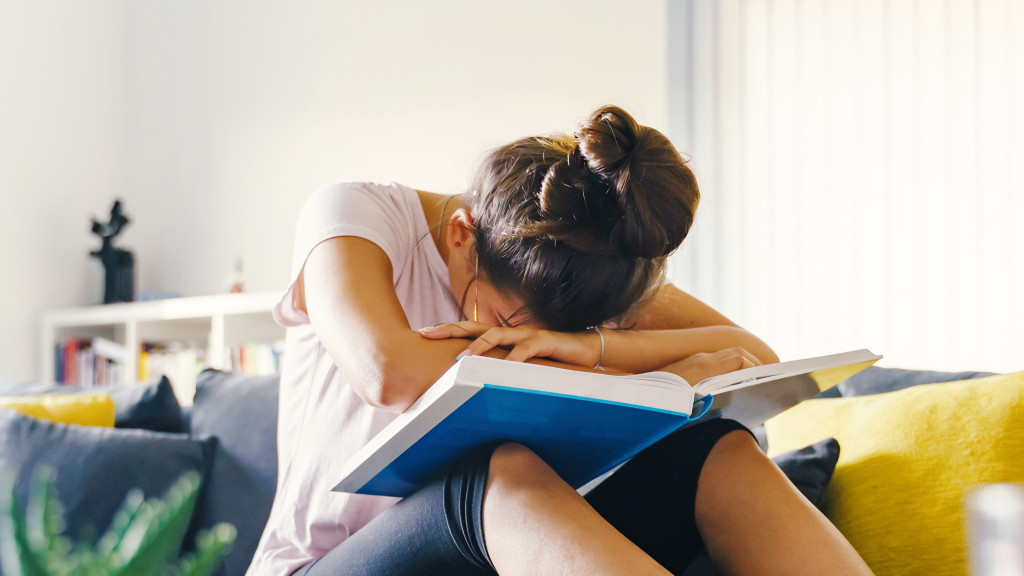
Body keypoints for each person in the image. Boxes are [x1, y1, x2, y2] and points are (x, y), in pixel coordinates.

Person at [247, 106, 873, 576]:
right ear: (463, 233)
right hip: (322, 562)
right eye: (504, 321)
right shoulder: (358, 215)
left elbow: (753, 357)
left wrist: (595, 348)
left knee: (718, 449)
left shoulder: (578, 273)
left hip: (514, 554)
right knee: (502, 473)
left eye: (548, 336)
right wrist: (656, 375)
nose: (521, 342)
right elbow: (387, 371)